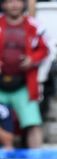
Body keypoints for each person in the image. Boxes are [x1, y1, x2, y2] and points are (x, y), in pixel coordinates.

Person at [0, 0, 48, 149]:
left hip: (23, 84)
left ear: (24, 4)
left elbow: (45, 49)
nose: (14, 5)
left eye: (18, 1)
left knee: (33, 123)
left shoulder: (35, 25)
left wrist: (32, 59)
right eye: (10, 1)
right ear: (3, 5)